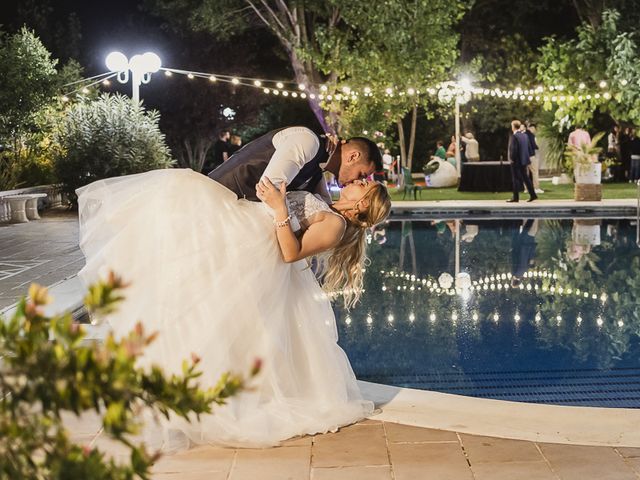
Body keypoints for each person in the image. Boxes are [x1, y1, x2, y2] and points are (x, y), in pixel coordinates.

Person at [76, 168, 392, 449]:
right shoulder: (330, 207)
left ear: (362, 204)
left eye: (364, 185)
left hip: (254, 243)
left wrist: (279, 207)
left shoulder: (335, 225)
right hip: (247, 228)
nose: (359, 181)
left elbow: (290, 252)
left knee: (183, 186)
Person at [208, 126, 382, 205]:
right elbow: (269, 192)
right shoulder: (308, 141)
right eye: (361, 175)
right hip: (214, 201)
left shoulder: (318, 169)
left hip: (233, 213)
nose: (356, 181)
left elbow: (328, 209)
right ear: (353, 156)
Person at [508, 120, 537, 203]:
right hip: (523, 160)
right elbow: (528, 148)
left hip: (516, 161)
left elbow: (514, 149)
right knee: (526, 178)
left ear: (513, 127)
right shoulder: (525, 136)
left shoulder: (514, 136)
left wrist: (512, 159)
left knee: (515, 179)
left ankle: (515, 197)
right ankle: (533, 194)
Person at [524, 123, 543, 194]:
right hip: (531, 155)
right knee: (535, 172)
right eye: (534, 129)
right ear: (532, 128)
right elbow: (534, 145)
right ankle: (536, 188)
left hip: (524, 156)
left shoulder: (523, 134)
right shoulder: (531, 135)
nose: (535, 131)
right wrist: (537, 146)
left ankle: (526, 188)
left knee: (526, 173)